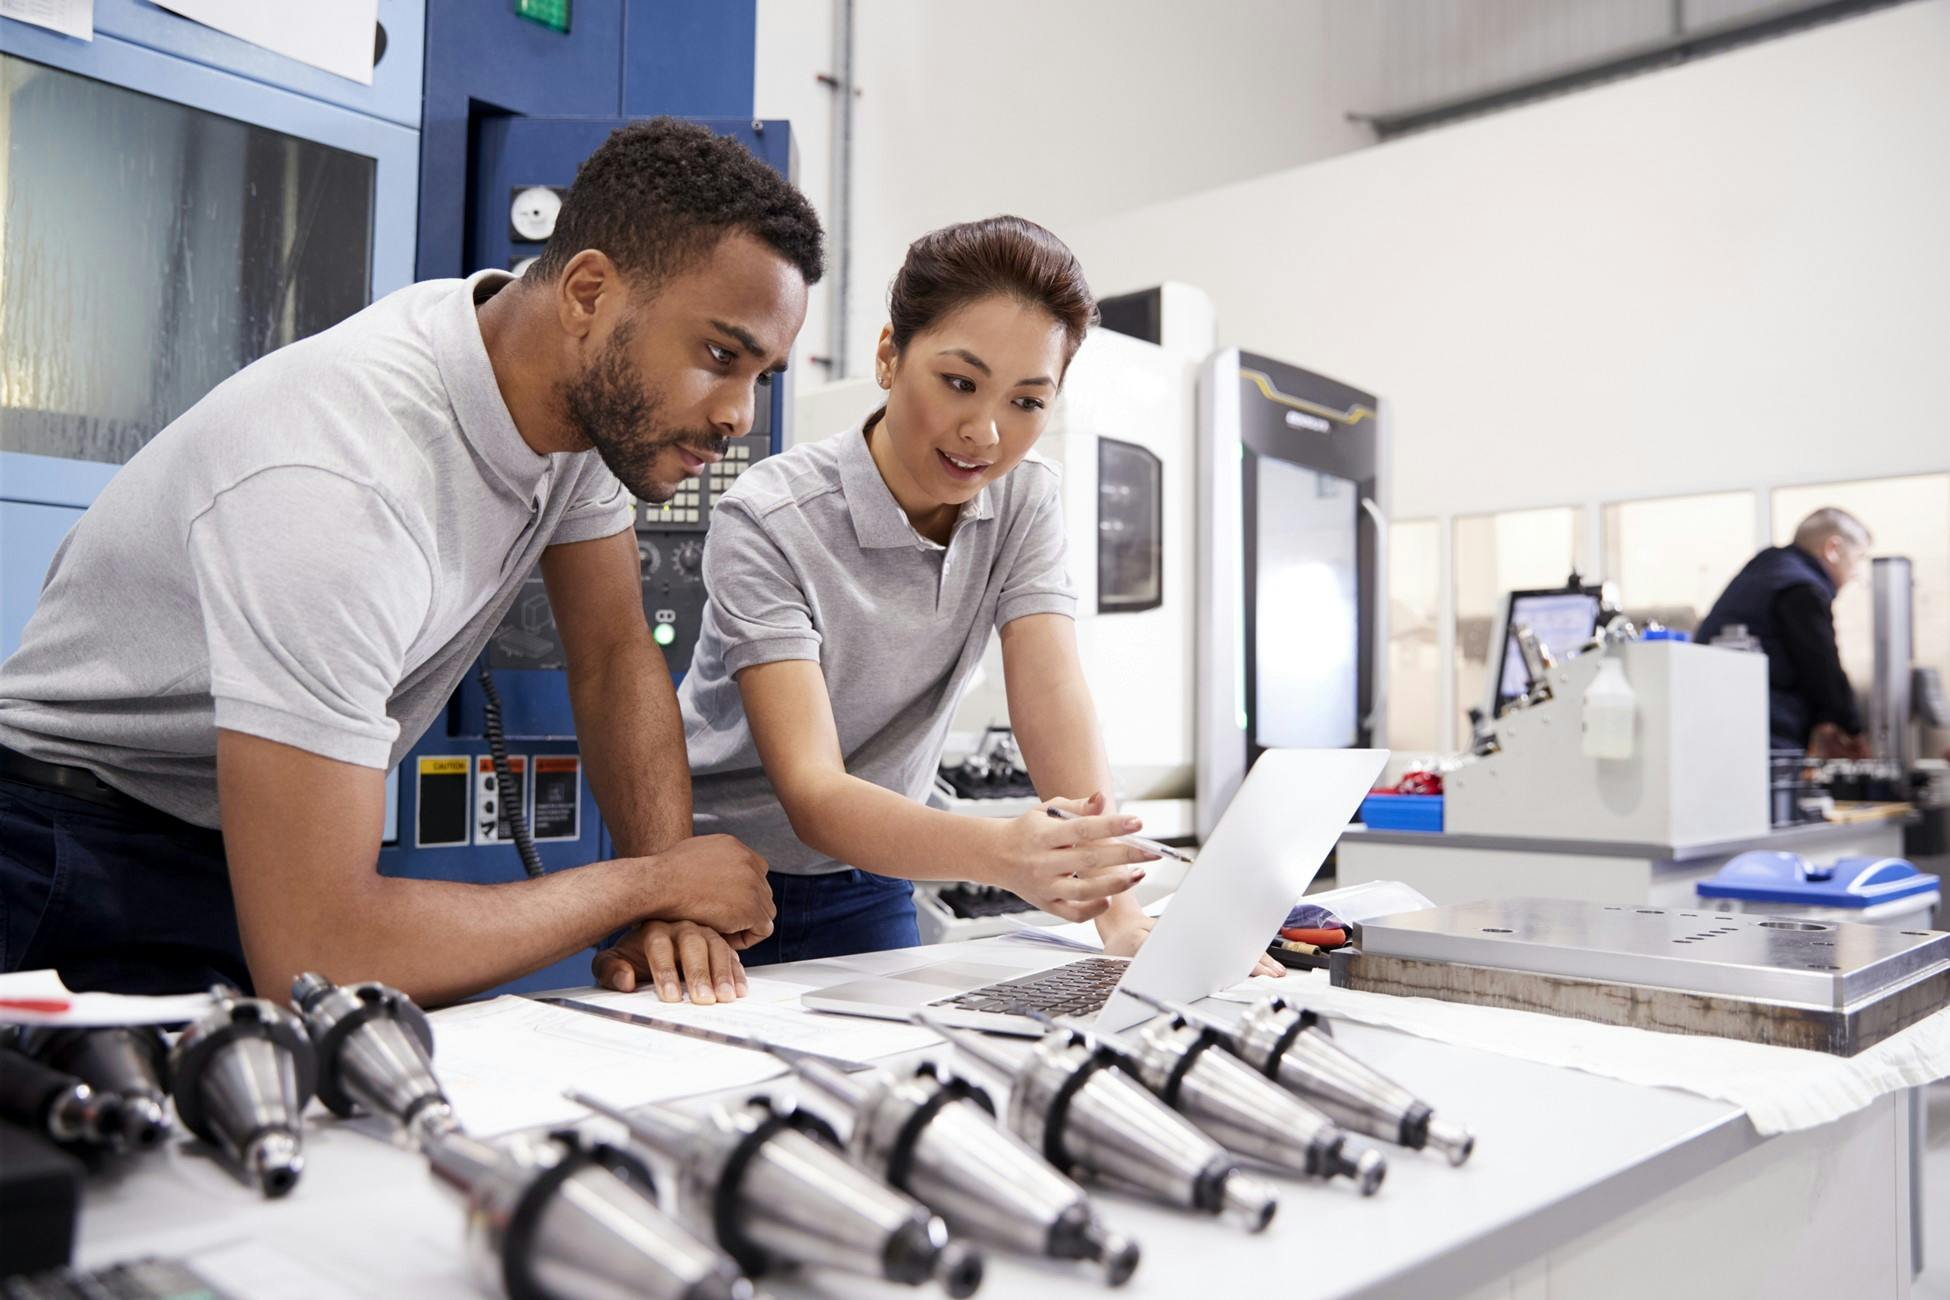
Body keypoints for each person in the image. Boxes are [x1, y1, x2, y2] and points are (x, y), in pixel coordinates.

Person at [0, 119, 820, 1005]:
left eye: (761, 375)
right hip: (65, 858)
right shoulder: (341, 483)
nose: (739, 414)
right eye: (719, 356)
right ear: (588, 293)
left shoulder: (567, 403)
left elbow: (614, 652)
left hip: (225, 844)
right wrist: (650, 886)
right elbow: (321, 953)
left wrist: (672, 903)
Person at [595, 216, 1281, 997]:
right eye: (960, 382)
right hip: (714, 882)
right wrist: (1000, 853)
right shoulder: (772, 516)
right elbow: (813, 792)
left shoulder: (1024, 503)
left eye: (1028, 401)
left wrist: (1117, 913)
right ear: (889, 355)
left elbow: (1051, 694)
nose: (984, 432)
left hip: (874, 876)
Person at [1696, 507, 1872, 757]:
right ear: (1833, 549)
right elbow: (1821, 666)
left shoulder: (1766, 571)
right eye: (1859, 558)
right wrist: (1853, 731)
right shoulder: (1801, 587)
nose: (1856, 573)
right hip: (1767, 731)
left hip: (1715, 723)